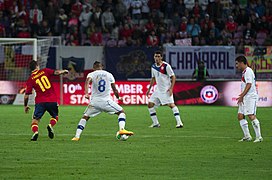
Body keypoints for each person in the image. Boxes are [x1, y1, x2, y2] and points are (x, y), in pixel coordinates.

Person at [71, 61, 134, 141]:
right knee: (121, 112)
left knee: (85, 117)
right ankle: (121, 129)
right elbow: (115, 90)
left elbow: (87, 82)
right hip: (106, 101)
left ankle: (76, 136)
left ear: (94, 68)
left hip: (94, 102)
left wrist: (86, 93)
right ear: (102, 67)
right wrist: (118, 97)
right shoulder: (109, 74)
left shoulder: (91, 74)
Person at [24, 60, 69, 141]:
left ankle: (35, 132)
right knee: (55, 116)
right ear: (37, 66)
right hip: (52, 100)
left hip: (40, 102)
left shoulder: (30, 79)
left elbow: (26, 95)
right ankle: (50, 125)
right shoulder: (45, 71)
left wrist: (25, 105)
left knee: (35, 120)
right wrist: (63, 71)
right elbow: (56, 72)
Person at [146, 51, 183, 128]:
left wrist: (171, 88)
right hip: (158, 90)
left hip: (166, 90)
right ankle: (156, 123)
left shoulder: (166, 66)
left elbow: (173, 77)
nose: (157, 58)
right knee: (150, 104)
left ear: (161, 57)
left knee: (171, 105)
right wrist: (149, 89)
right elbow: (153, 78)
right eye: (156, 56)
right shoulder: (153, 67)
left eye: (159, 56)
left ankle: (179, 123)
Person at [235, 55, 263, 143]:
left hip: (250, 97)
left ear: (241, 62)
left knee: (251, 115)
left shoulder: (248, 71)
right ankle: (247, 136)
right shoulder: (244, 72)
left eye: (237, 64)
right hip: (245, 97)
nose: (236, 66)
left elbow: (249, 84)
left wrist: (242, 96)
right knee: (240, 116)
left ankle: (259, 137)